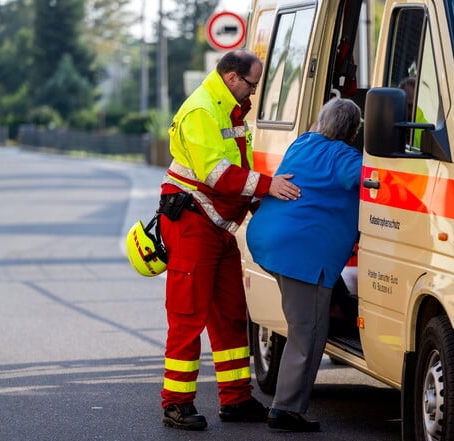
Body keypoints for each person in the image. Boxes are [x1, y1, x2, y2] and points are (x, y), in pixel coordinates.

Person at [158, 49, 301, 431]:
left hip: (215, 225)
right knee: (187, 317)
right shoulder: (202, 110)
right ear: (233, 78)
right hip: (192, 223)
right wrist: (269, 188)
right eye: (252, 84)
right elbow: (218, 174)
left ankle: (235, 399)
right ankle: (176, 403)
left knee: (231, 315)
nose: (253, 94)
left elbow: (239, 168)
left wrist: (258, 201)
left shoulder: (228, 109)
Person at [245, 97, 363, 432]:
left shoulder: (304, 143)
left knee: (310, 325)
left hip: (268, 241)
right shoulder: (345, 159)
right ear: (353, 131)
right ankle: (286, 410)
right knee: (307, 332)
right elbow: (376, 178)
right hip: (300, 256)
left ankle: (288, 405)